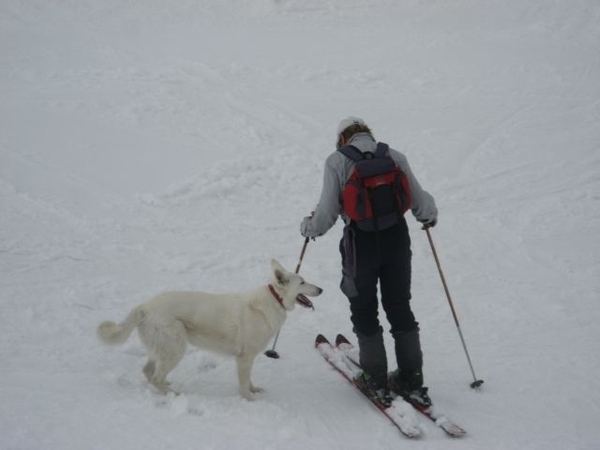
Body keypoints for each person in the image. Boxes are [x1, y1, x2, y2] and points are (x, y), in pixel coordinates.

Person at [300, 117, 438, 406]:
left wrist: (309, 228)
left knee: (363, 306)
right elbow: (419, 198)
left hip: (360, 244)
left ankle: (375, 378)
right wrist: (427, 216)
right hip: (397, 239)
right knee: (399, 304)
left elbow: (327, 211)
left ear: (342, 138)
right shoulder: (393, 155)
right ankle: (412, 376)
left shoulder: (337, 161)